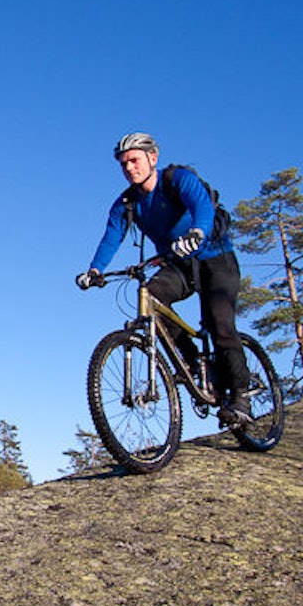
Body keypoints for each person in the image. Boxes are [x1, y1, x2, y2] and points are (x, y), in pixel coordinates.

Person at [76, 132, 252, 425]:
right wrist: (95, 270)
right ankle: (192, 360)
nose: (129, 168)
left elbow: (202, 207)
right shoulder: (127, 203)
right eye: (124, 164)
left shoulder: (177, 179)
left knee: (219, 322)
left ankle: (241, 395)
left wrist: (197, 233)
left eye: (134, 160)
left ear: (152, 158)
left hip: (215, 257)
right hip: (179, 265)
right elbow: (112, 237)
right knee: (151, 295)